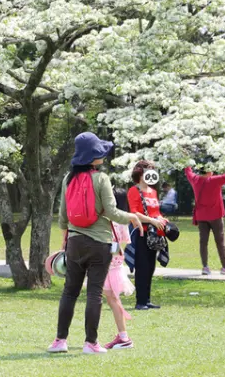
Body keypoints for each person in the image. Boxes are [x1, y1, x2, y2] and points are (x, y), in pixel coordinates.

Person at [47, 132, 160, 355]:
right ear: (93, 157)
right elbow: (111, 212)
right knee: (94, 294)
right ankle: (91, 343)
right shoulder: (101, 179)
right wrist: (132, 217)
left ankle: (60, 341)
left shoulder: (68, 179)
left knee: (69, 292)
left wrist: (65, 238)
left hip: (75, 242)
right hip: (99, 244)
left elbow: (62, 215)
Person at [127, 161, 169, 310]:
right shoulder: (134, 190)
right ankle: (140, 302)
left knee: (151, 266)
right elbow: (134, 212)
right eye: (149, 169)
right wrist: (151, 220)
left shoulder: (153, 191)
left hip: (154, 234)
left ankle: (147, 299)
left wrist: (162, 219)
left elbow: (156, 211)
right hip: (141, 232)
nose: (152, 172)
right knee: (142, 267)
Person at [185, 165, 225, 275]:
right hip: (215, 215)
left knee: (203, 242)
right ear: (209, 172)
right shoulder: (215, 180)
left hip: (201, 216)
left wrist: (187, 162)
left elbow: (188, 171)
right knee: (220, 241)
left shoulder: (195, 180)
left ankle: (205, 267)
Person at [101, 192, 136, 350]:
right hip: (116, 264)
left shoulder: (108, 220)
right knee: (112, 299)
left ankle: (123, 337)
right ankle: (122, 336)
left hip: (108, 265)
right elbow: (124, 242)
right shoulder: (122, 221)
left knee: (113, 299)